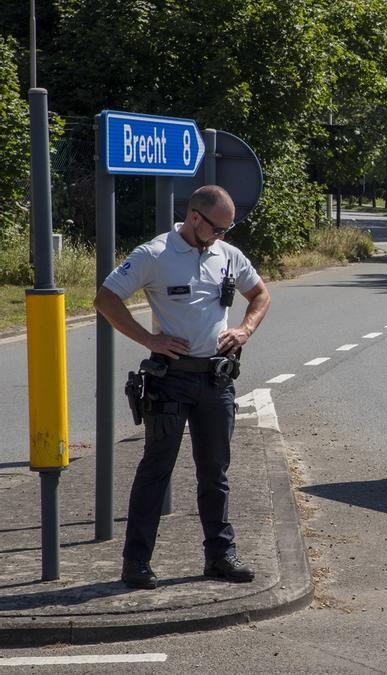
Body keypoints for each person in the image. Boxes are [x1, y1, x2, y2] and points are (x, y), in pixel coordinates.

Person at [94, 185, 271, 589]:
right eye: (218, 228)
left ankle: (220, 555)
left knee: (216, 473)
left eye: (228, 229)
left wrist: (244, 329)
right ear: (195, 218)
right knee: (156, 470)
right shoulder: (154, 254)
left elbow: (260, 294)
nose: (223, 236)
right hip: (170, 379)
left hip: (216, 379)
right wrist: (150, 340)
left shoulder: (227, 255)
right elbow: (106, 299)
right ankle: (136, 561)